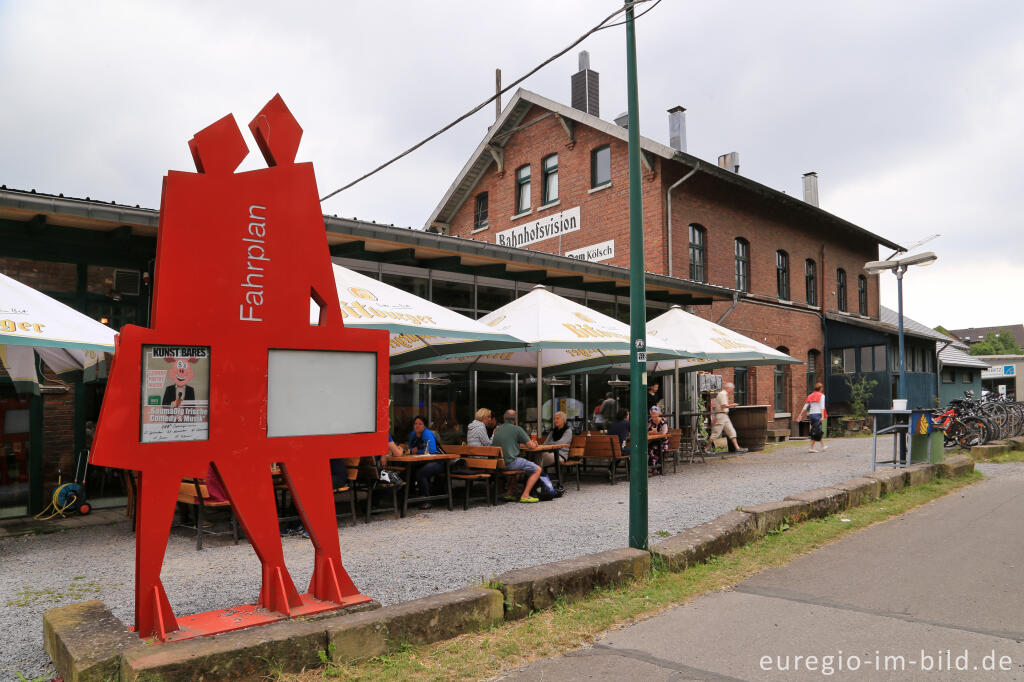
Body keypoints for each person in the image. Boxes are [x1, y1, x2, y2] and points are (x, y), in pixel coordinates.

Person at [490, 409, 542, 503]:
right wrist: (535, 443)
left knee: (517, 467)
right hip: (509, 463)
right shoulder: (517, 429)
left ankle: (509, 493)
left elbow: (510, 444)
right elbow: (531, 446)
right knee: (537, 469)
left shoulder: (497, 429)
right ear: (515, 419)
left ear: (504, 418)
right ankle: (525, 495)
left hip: (497, 463)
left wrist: (523, 445)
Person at [407, 415, 445, 509]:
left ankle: (427, 500)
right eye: (415, 423)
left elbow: (432, 450)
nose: (417, 426)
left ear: (424, 426)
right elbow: (410, 448)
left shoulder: (427, 433)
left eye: (420, 424)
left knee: (421, 473)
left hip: (438, 461)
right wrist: (411, 450)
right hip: (423, 462)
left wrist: (418, 451)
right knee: (407, 471)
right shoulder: (413, 434)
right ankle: (409, 499)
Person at [710, 382, 748, 454]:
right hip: (721, 415)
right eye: (732, 389)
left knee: (731, 431)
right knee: (716, 433)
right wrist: (732, 405)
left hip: (724, 415)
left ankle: (737, 448)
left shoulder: (724, 394)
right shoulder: (722, 394)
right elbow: (724, 406)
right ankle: (706, 448)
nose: (732, 390)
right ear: (728, 388)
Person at [796, 382, 828, 453]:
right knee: (816, 431)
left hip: (811, 415)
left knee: (815, 430)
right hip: (818, 414)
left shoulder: (810, 395)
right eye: (822, 388)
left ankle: (821, 446)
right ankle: (815, 447)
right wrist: (822, 416)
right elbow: (822, 407)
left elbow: (805, 406)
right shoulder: (822, 396)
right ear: (820, 388)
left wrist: (800, 414)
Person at [647, 405, 669, 472]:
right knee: (647, 448)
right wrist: (650, 432)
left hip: (663, 441)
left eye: (655, 416)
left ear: (659, 414)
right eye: (652, 415)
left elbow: (664, 433)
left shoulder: (663, 421)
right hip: (652, 441)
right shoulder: (650, 421)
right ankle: (652, 468)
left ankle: (655, 468)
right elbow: (646, 431)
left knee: (653, 448)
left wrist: (656, 433)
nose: (653, 417)